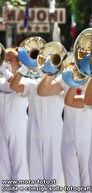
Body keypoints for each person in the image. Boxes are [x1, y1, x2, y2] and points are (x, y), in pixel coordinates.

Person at [10, 66, 64, 192]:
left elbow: (47, 87)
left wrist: (52, 71)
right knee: (35, 177)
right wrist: (24, 67)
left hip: (54, 133)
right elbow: (14, 86)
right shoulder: (31, 83)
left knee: (53, 177)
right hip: (34, 132)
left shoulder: (61, 82)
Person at [37, 74, 92, 190]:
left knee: (89, 186)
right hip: (68, 138)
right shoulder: (68, 75)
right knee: (71, 186)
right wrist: (51, 72)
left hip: (90, 140)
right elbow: (42, 91)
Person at [0, 47, 29, 192]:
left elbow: (13, 84)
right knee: (2, 170)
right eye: (5, 59)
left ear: (18, 63)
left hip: (19, 129)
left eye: (10, 60)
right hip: (1, 131)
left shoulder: (25, 80)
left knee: (20, 168)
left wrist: (3, 69)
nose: (6, 62)